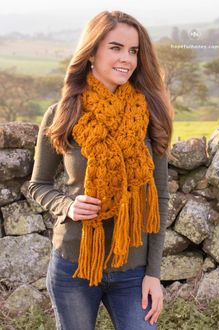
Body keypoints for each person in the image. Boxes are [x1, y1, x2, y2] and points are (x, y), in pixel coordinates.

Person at [28, 10, 173, 330]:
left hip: (133, 271)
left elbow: (159, 197)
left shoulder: (151, 116)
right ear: (92, 52)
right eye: (116, 47)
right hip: (73, 266)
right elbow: (37, 185)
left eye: (133, 51)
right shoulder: (62, 113)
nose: (127, 59)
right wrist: (68, 205)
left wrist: (154, 273)